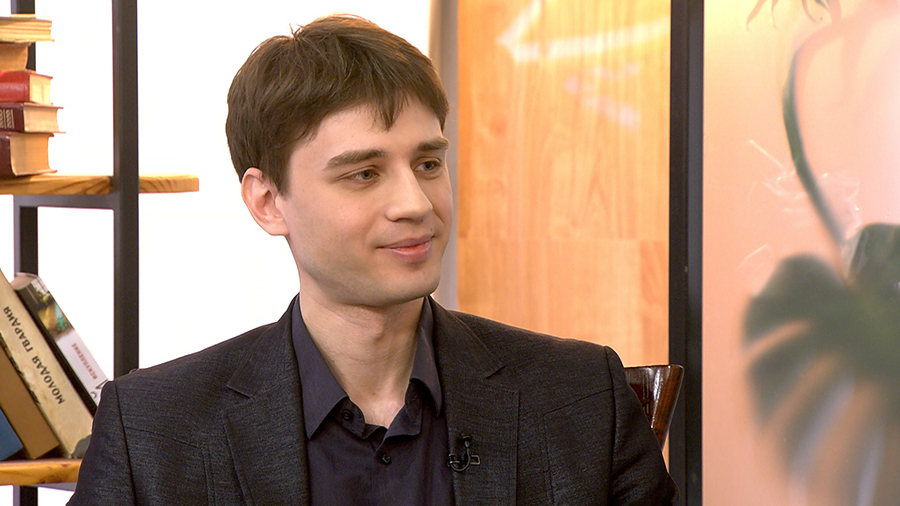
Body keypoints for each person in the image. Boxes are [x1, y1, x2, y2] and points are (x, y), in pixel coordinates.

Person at [68, 14, 677, 505]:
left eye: (428, 164)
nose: (416, 204)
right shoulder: (152, 430)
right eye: (364, 173)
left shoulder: (581, 397)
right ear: (268, 202)